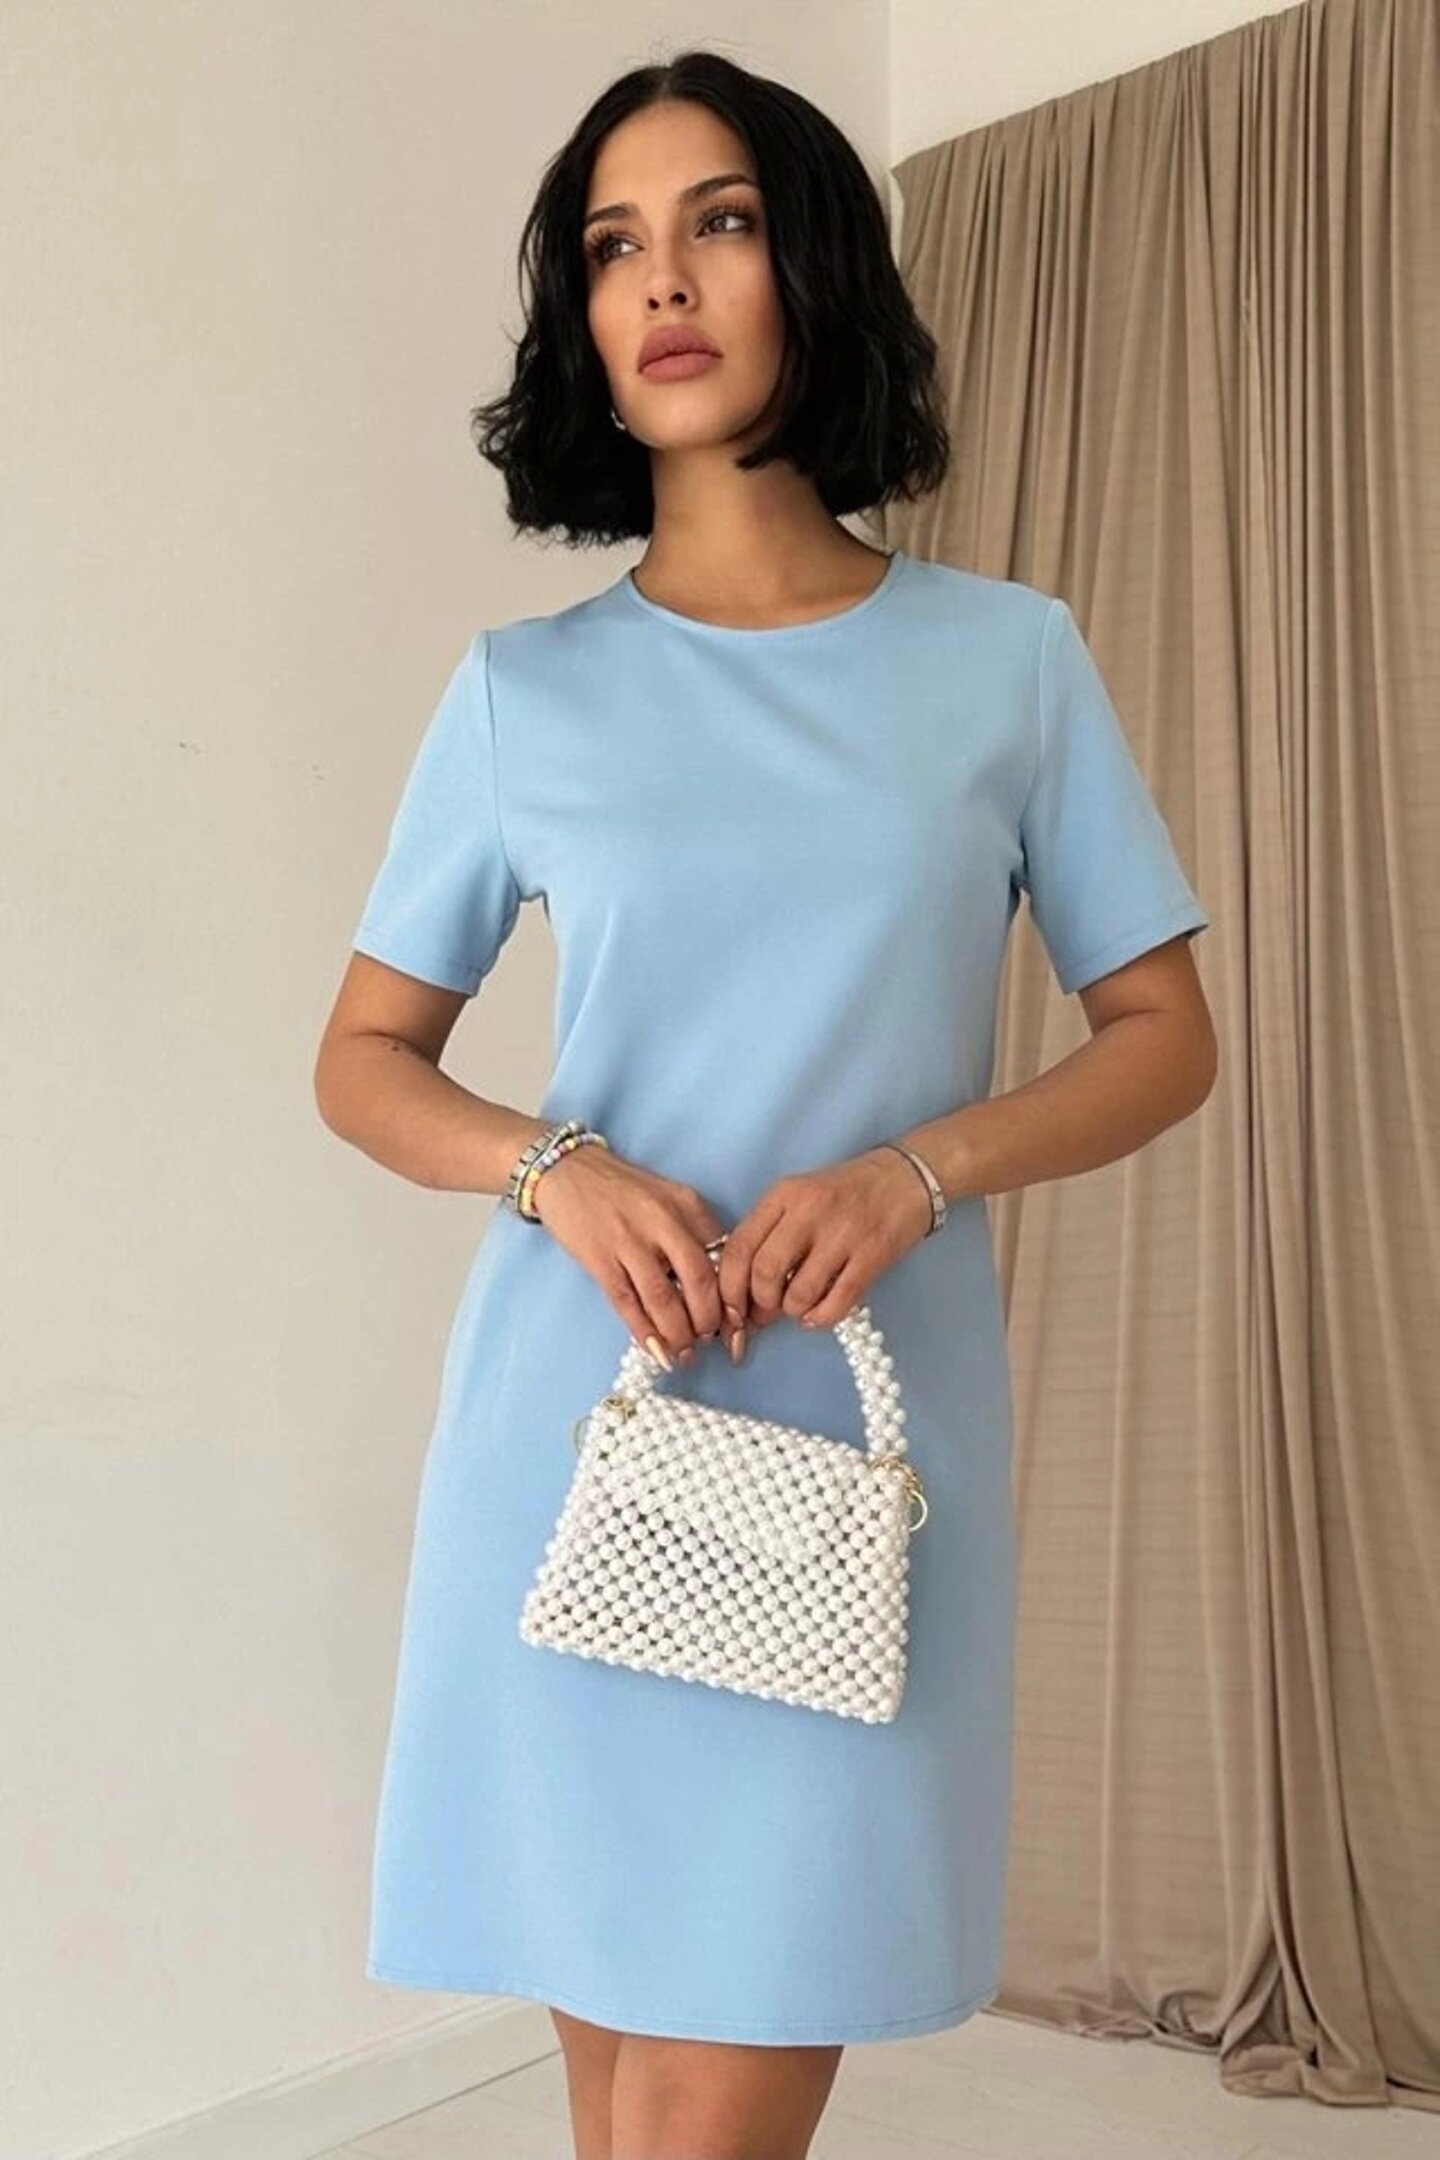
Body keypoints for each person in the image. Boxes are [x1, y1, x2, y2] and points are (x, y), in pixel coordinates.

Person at [313, 47, 1217, 2160]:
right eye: (612, 245)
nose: (663, 280)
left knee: (718, 2095)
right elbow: (361, 1059)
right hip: (582, 1424)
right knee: (622, 2100)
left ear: (810, 263)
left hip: (861, 1440)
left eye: (717, 221)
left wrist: (920, 1170)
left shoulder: (1007, 663)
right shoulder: (524, 692)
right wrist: (553, 1171)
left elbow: (1163, 1032)